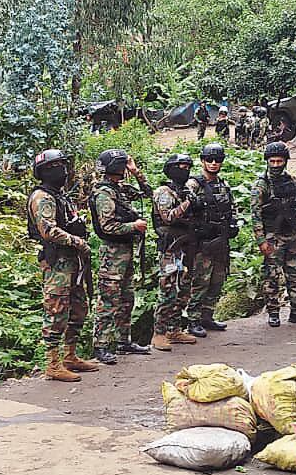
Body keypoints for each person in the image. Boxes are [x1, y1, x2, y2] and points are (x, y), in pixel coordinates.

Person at [26, 149, 99, 382]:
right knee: (56, 311)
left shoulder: (59, 195)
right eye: (57, 166)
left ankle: (70, 356)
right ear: (45, 171)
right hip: (57, 261)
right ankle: (52, 364)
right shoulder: (42, 197)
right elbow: (48, 230)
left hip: (72, 261)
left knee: (79, 309)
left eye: (64, 165)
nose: (63, 171)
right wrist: (77, 241)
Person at [88, 149, 151, 365]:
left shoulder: (119, 189)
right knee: (108, 300)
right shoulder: (104, 193)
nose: (126, 168)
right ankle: (101, 345)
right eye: (124, 165)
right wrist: (133, 225)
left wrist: (135, 172)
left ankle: (124, 341)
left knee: (126, 298)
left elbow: (147, 193)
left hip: (124, 251)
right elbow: (108, 226)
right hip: (112, 254)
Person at [253, 143, 296, 327]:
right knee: (272, 277)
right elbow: (255, 215)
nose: (276, 165)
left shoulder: (293, 181)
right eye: (272, 161)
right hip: (273, 237)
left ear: (285, 161)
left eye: (280, 161)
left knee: (295, 275)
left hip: (293, 235)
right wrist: (261, 240)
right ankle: (273, 313)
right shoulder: (261, 185)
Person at [184, 142, 236, 335]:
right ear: (203, 161)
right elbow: (185, 210)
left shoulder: (223, 185)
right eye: (209, 160)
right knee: (200, 281)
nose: (214, 163)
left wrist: (233, 224)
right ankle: (193, 319)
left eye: (218, 160)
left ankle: (207, 316)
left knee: (217, 280)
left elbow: (232, 208)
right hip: (202, 243)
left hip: (220, 241)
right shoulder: (194, 184)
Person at [150, 153, 199, 352]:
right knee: (168, 290)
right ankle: (159, 333)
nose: (184, 170)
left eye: (187, 167)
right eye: (180, 166)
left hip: (185, 245)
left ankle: (174, 329)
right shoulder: (164, 192)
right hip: (170, 247)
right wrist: (189, 203)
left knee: (184, 289)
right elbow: (168, 217)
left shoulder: (185, 190)